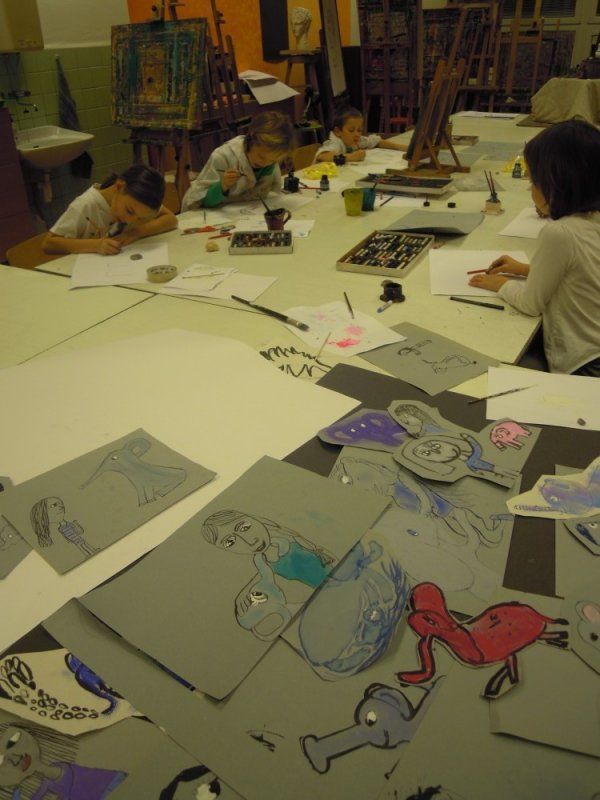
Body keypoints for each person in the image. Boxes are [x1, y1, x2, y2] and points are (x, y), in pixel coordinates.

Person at [469, 119, 600, 376]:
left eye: (533, 183)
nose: (530, 191)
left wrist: (500, 284)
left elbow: (531, 303)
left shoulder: (559, 233)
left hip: (583, 363)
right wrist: (525, 269)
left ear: (555, 184)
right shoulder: (592, 219)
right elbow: (583, 273)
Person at [43, 164, 177, 256]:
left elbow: (171, 219)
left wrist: (135, 233)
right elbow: (49, 244)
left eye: (140, 218)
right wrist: (95, 245)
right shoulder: (86, 205)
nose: (130, 221)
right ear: (119, 187)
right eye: (129, 211)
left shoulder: (139, 204)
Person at [181, 112, 295, 210]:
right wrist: (223, 186)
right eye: (261, 157)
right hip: (215, 215)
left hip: (247, 215)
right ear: (251, 139)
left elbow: (272, 194)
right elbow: (203, 201)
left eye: (272, 161)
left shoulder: (269, 159)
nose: (265, 163)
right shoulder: (223, 157)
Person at [315, 106, 407, 163]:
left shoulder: (357, 140)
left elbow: (376, 141)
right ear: (338, 132)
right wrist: (351, 157)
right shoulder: (336, 142)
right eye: (351, 130)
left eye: (359, 130)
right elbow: (322, 156)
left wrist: (401, 147)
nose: (357, 134)